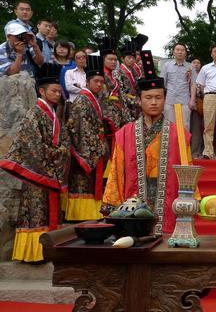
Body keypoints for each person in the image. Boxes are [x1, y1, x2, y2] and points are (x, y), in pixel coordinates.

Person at [102, 50, 192, 234]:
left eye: (158, 98)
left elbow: (188, 171)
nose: (153, 102)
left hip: (168, 201)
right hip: (133, 204)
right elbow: (116, 172)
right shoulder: (125, 134)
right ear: (139, 100)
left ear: (164, 99)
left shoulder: (179, 134)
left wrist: (190, 199)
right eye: (148, 98)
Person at [0, 64, 70, 262]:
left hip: (49, 169)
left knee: (48, 212)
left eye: (59, 91)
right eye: (54, 91)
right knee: (36, 211)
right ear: (41, 91)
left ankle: (48, 250)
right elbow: (32, 146)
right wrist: (58, 154)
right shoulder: (34, 114)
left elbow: (63, 141)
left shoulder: (54, 116)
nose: (58, 94)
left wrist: (61, 151)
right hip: (37, 174)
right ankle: (34, 253)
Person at [65, 55, 109, 222]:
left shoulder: (93, 99)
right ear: (88, 82)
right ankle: (81, 217)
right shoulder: (82, 101)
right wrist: (98, 148)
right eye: (96, 81)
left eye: (101, 81)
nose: (99, 84)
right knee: (82, 184)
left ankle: (91, 215)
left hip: (95, 147)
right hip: (84, 152)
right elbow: (81, 129)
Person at [100, 36, 133, 134]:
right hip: (107, 115)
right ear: (103, 59)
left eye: (115, 59)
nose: (113, 62)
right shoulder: (100, 77)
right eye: (110, 59)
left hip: (120, 112)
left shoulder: (116, 76)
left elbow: (122, 95)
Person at [160, 43, 195, 129]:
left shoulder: (191, 67)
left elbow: (193, 85)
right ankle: (171, 143)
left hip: (185, 101)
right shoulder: (166, 65)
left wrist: (192, 100)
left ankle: (184, 143)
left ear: (186, 53)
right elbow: (162, 84)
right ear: (173, 52)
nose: (180, 52)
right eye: (177, 50)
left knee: (185, 126)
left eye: (182, 50)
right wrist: (162, 99)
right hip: (169, 100)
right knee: (169, 126)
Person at [190, 57, 204, 158]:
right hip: (182, 103)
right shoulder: (185, 74)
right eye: (194, 62)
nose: (196, 64)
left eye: (198, 62)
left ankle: (195, 152)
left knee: (196, 129)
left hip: (198, 105)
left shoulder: (204, 76)